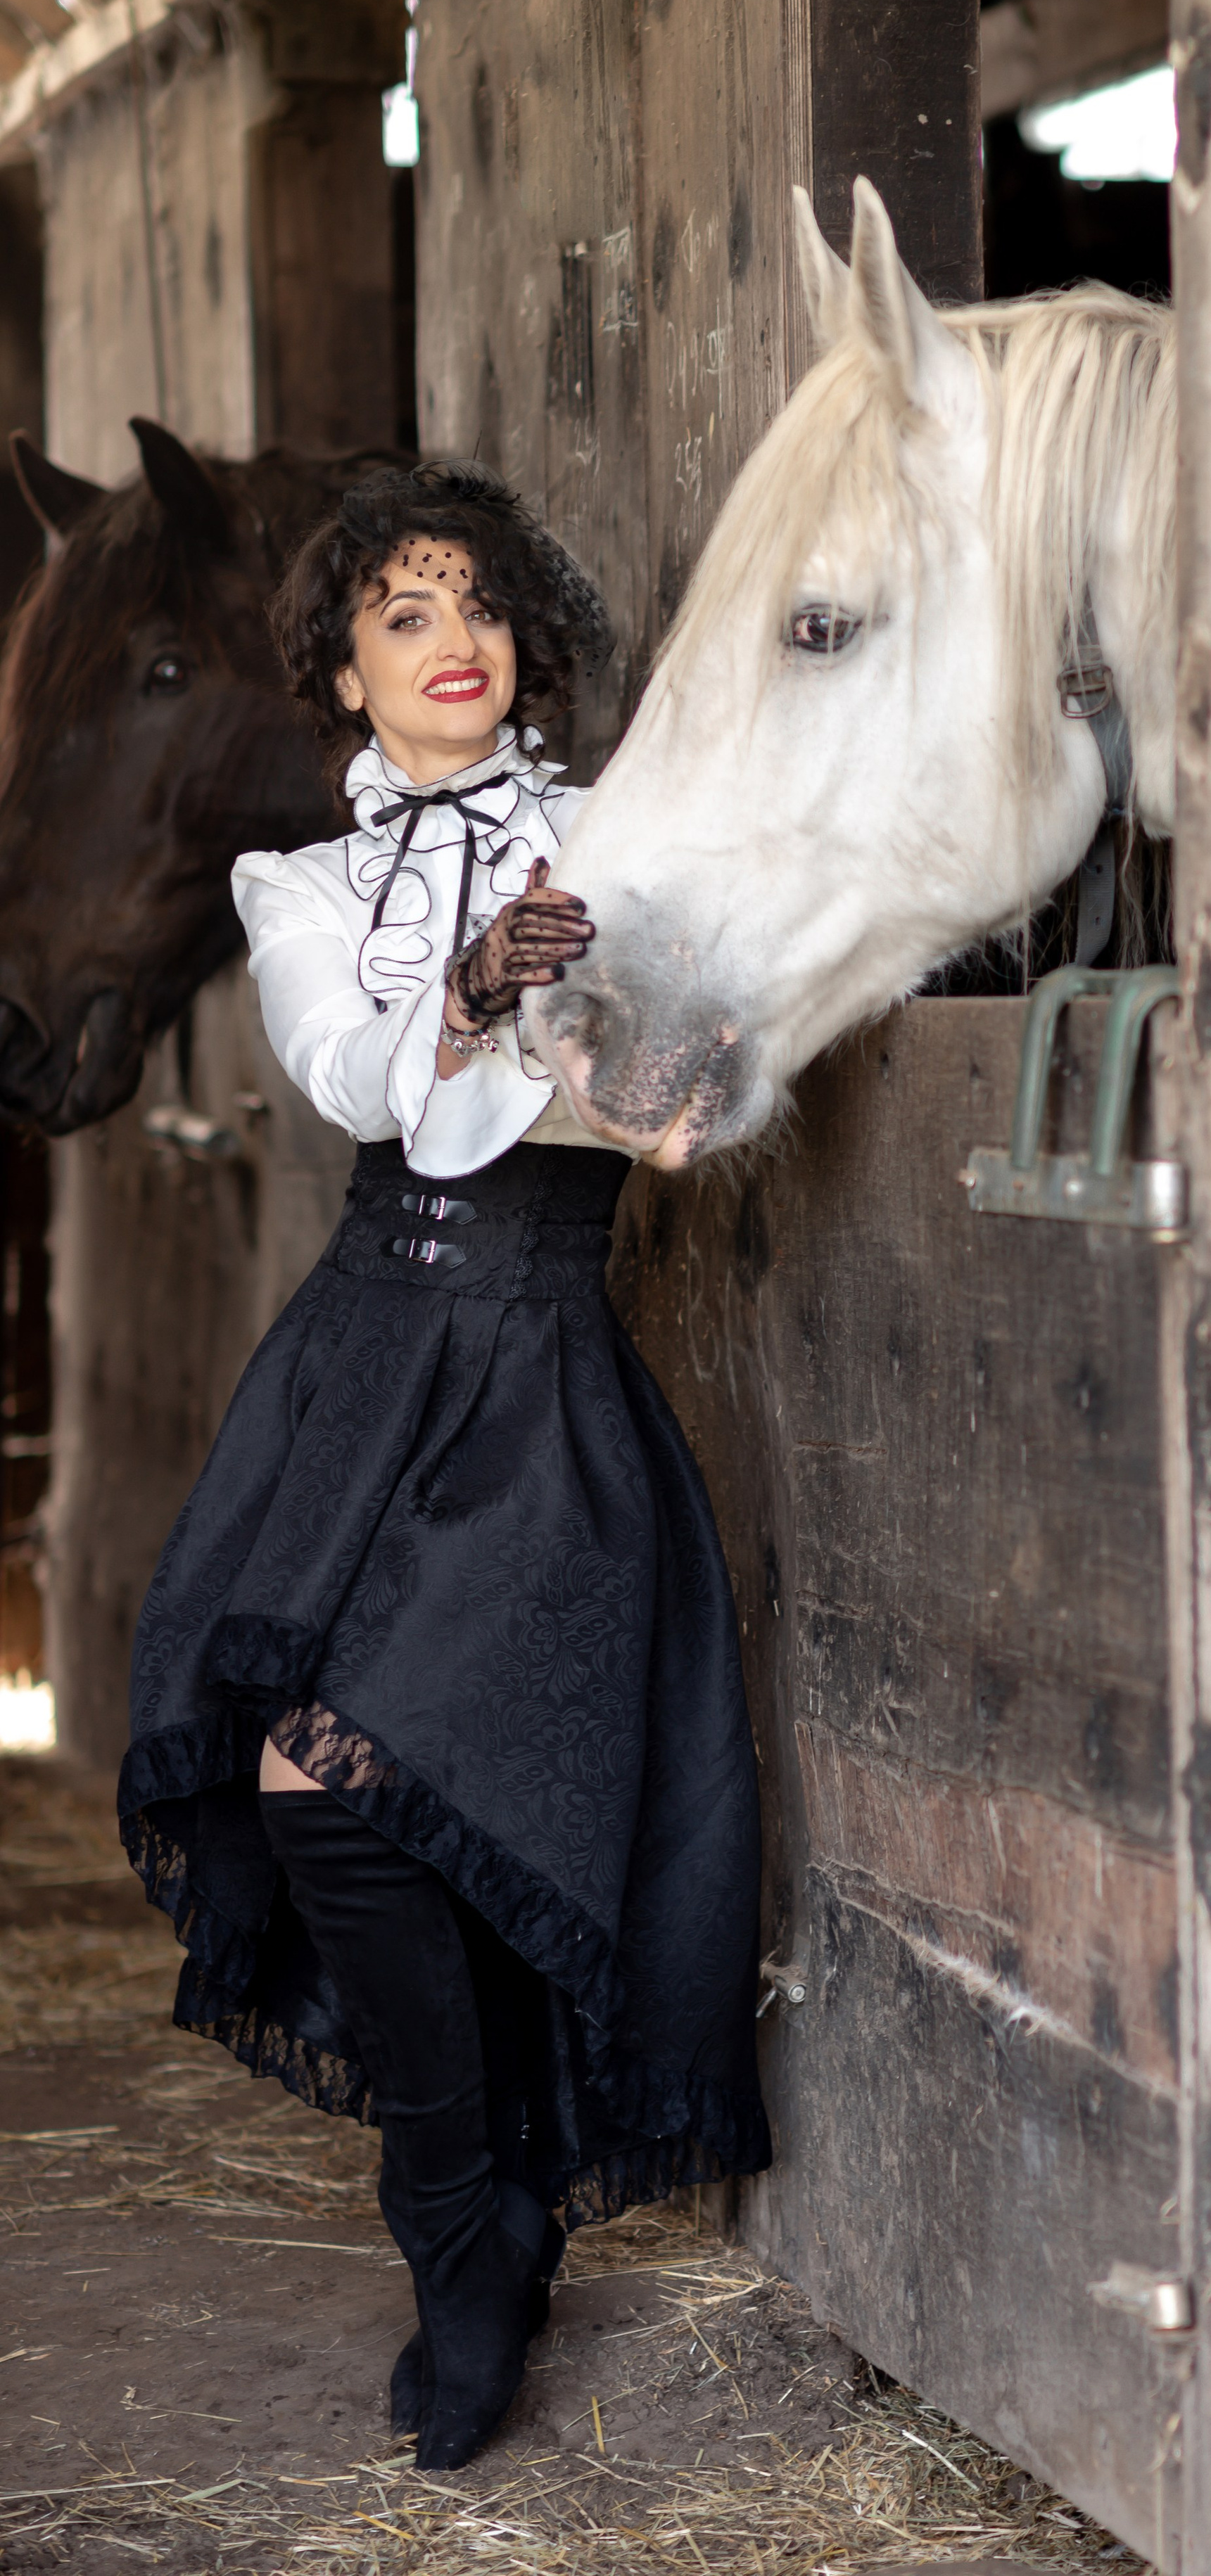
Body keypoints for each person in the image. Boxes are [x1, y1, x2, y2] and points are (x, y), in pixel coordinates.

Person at [117, 461, 771, 2473]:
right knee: (308, 1787)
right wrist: (482, 985)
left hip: (541, 1362)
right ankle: (465, 2228)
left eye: (478, 603)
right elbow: (352, 1078)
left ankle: (476, 2214)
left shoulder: (616, 836)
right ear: (342, 669)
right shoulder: (299, 888)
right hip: (362, 1364)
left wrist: (608, 1012)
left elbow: (683, 1109)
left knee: (383, 1778)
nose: (453, 638)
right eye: (404, 612)